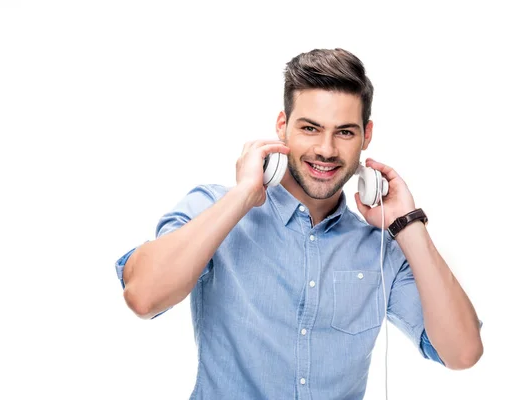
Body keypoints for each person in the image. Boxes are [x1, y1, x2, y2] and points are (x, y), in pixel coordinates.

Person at [114, 48, 483, 400]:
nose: (326, 149)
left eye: (344, 132)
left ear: (366, 136)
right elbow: (143, 296)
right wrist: (243, 196)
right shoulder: (214, 208)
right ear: (282, 126)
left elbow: (463, 353)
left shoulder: (379, 249)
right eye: (310, 128)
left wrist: (407, 223)